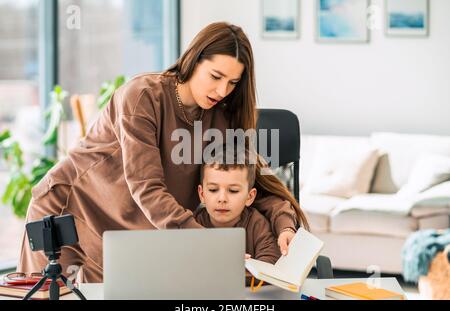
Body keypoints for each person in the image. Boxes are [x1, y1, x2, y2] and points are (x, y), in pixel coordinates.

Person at [18, 22, 308, 283]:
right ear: (193, 60)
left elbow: (253, 183)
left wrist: (285, 227)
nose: (222, 90)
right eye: (215, 76)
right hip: (70, 209)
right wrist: (212, 246)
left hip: (130, 232)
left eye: (232, 83)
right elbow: (147, 188)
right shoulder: (142, 96)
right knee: (50, 293)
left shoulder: (223, 118)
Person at [195, 145, 282, 265]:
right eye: (213, 189)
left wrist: (242, 267)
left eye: (233, 191)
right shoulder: (193, 224)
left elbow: (270, 263)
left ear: (250, 197)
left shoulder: (257, 225)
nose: (222, 199)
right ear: (202, 194)